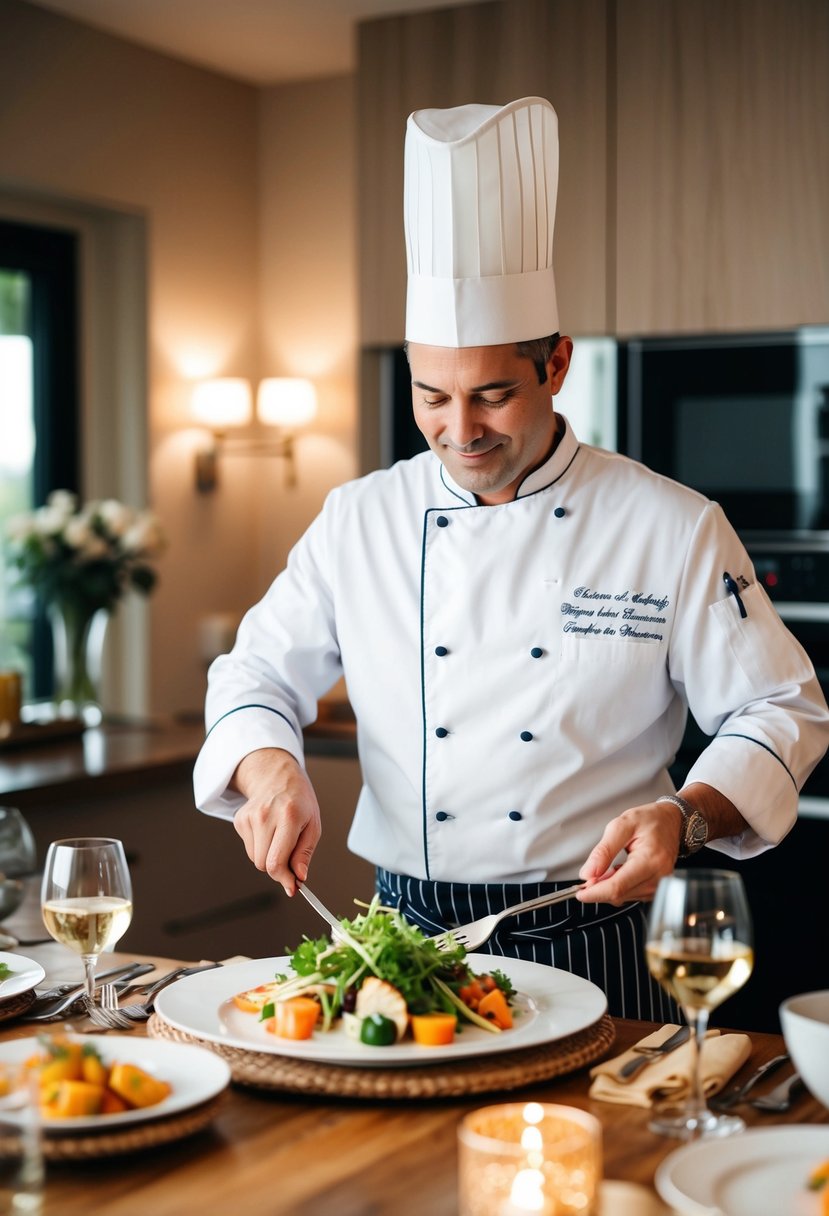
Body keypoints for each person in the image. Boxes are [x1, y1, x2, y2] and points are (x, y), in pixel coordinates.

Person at [194, 97, 829, 1019]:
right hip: (397, 941)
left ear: (557, 363)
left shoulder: (668, 523)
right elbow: (255, 672)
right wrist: (269, 767)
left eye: (492, 394)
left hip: (592, 935)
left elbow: (781, 706)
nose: (460, 431)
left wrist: (683, 816)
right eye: (431, 396)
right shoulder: (359, 518)